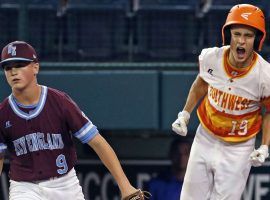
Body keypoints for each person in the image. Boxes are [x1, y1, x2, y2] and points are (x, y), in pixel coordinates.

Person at [0, 41, 139, 200]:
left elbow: (97, 142)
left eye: (20, 65)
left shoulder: (59, 101)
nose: (13, 72)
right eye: (8, 67)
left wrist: (125, 186)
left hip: (64, 184)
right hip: (24, 187)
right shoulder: (3, 113)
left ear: (35, 67)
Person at [172, 4, 270, 200]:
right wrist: (185, 114)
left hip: (239, 148)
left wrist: (265, 146)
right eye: (237, 34)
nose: (241, 41)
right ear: (228, 35)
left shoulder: (265, 75)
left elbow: (268, 111)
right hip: (205, 138)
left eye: (248, 36)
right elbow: (200, 84)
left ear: (257, 40)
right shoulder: (211, 58)